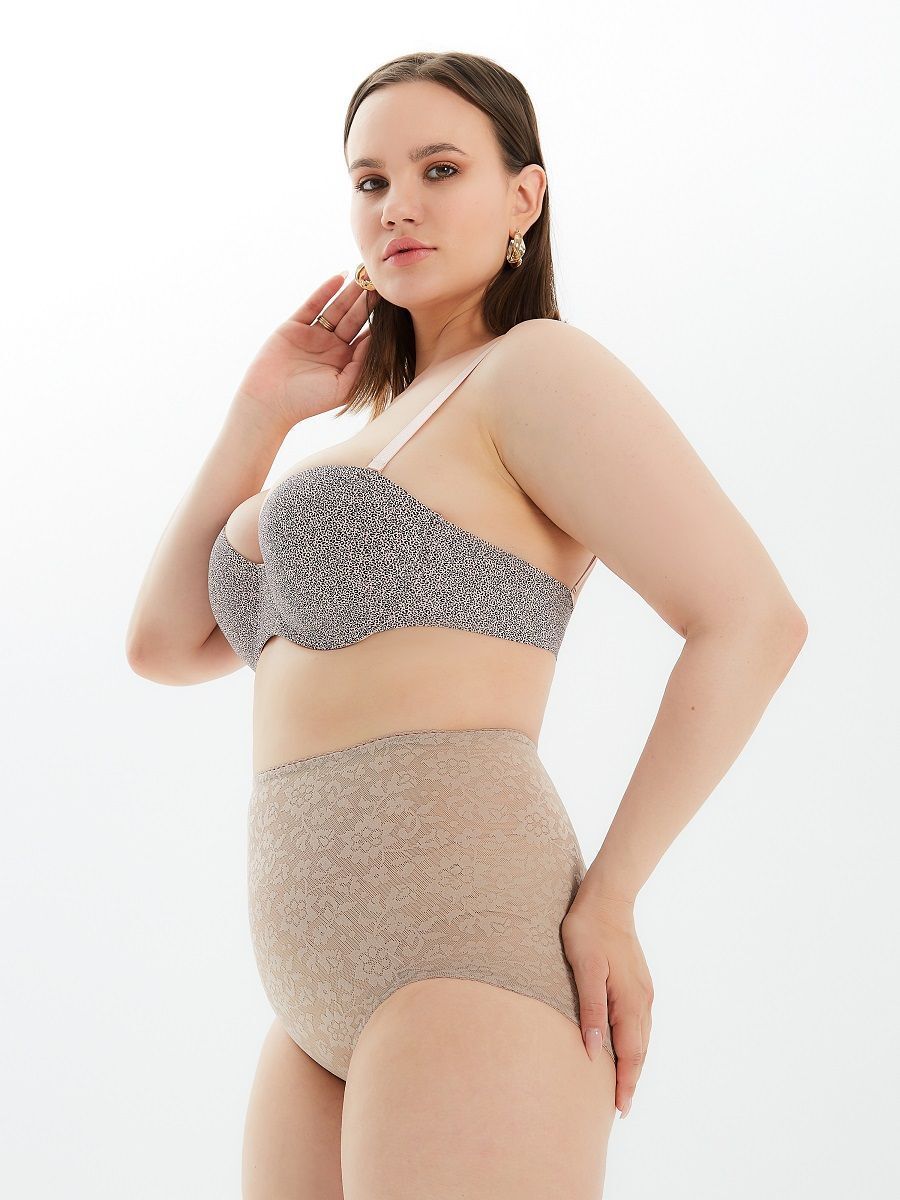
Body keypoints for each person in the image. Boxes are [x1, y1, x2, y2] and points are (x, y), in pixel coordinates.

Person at [126, 51, 807, 1200]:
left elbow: (753, 619)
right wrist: (260, 412)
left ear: (523, 198)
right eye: (371, 180)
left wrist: (613, 896)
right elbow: (163, 644)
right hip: (310, 1002)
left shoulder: (533, 370)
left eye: (439, 170)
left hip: (468, 949)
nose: (398, 204)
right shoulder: (369, 426)